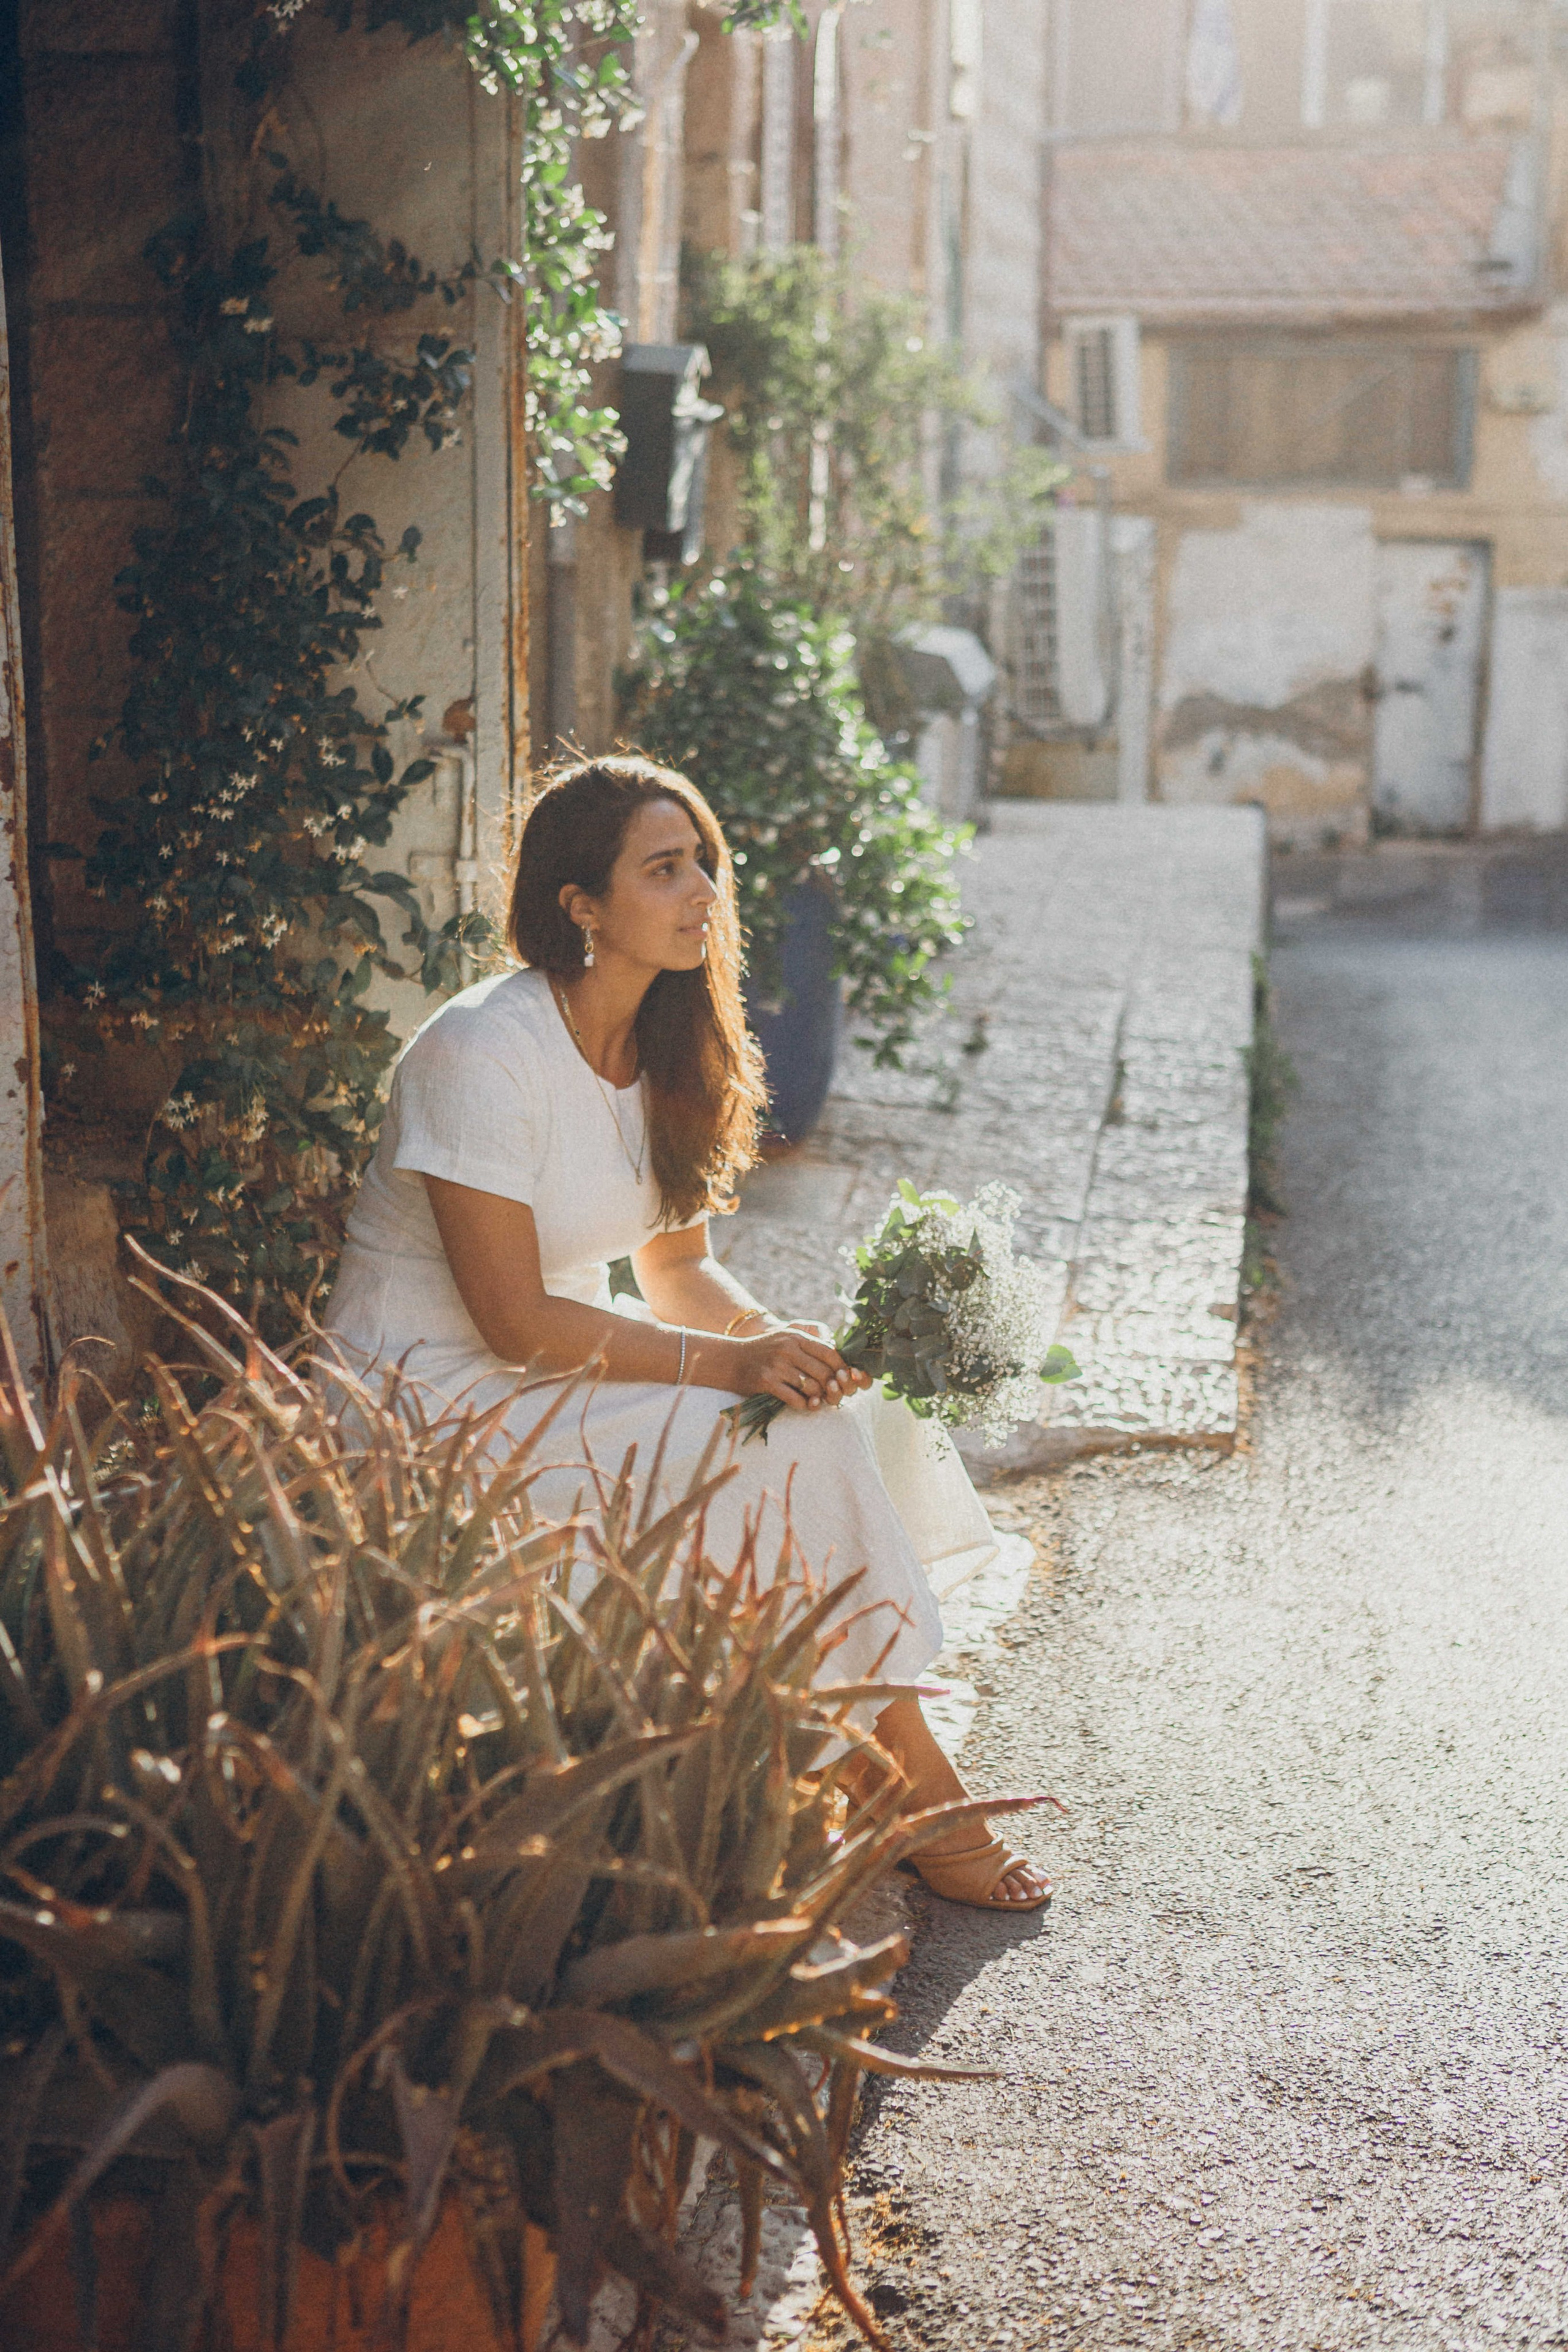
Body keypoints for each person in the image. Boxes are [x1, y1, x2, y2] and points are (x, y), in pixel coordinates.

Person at [323, 757, 1050, 1911]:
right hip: (430, 1391)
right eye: (664, 869)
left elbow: (677, 1270)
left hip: (559, 1360)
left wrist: (773, 1340)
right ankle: (910, 1789)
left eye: (704, 862)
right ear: (581, 905)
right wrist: (729, 1364)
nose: (705, 889)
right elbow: (511, 1319)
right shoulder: (481, 1051)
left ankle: (857, 1752)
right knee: (783, 1443)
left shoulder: (666, 1038)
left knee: (831, 1411)